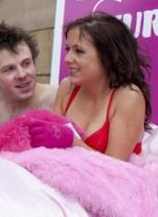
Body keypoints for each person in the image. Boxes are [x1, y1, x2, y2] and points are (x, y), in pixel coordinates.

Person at [50, 12, 148, 160]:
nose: (67, 59)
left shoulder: (129, 96)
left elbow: (116, 166)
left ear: (108, 56)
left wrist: (72, 142)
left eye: (79, 51)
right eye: (67, 49)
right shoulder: (67, 87)